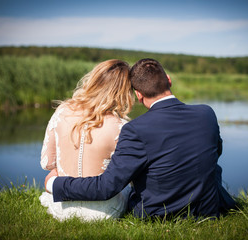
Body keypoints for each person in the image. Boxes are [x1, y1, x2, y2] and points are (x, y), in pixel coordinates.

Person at [46, 58, 236, 219]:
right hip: (208, 210)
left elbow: (106, 187)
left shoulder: (135, 129)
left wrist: (54, 183)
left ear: (138, 95)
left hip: (160, 214)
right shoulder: (206, 113)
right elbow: (215, 153)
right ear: (168, 80)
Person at [39, 59, 135, 221]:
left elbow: (46, 163)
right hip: (105, 210)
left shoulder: (62, 111)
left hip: (63, 207)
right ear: (124, 91)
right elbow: (130, 177)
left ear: (93, 80)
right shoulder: (122, 127)